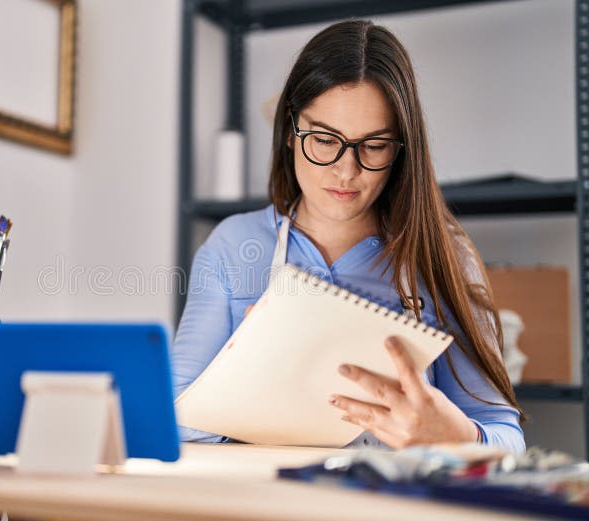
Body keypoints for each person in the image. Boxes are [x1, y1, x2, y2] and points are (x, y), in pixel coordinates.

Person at [171, 20, 525, 453]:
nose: (346, 171)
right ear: (289, 131)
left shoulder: (442, 255)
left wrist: (459, 435)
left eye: (373, 145)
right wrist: (246, 380)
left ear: (402, 150)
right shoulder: (232, 246)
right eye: (323, 139)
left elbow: (508, 441)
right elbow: (172, 414)